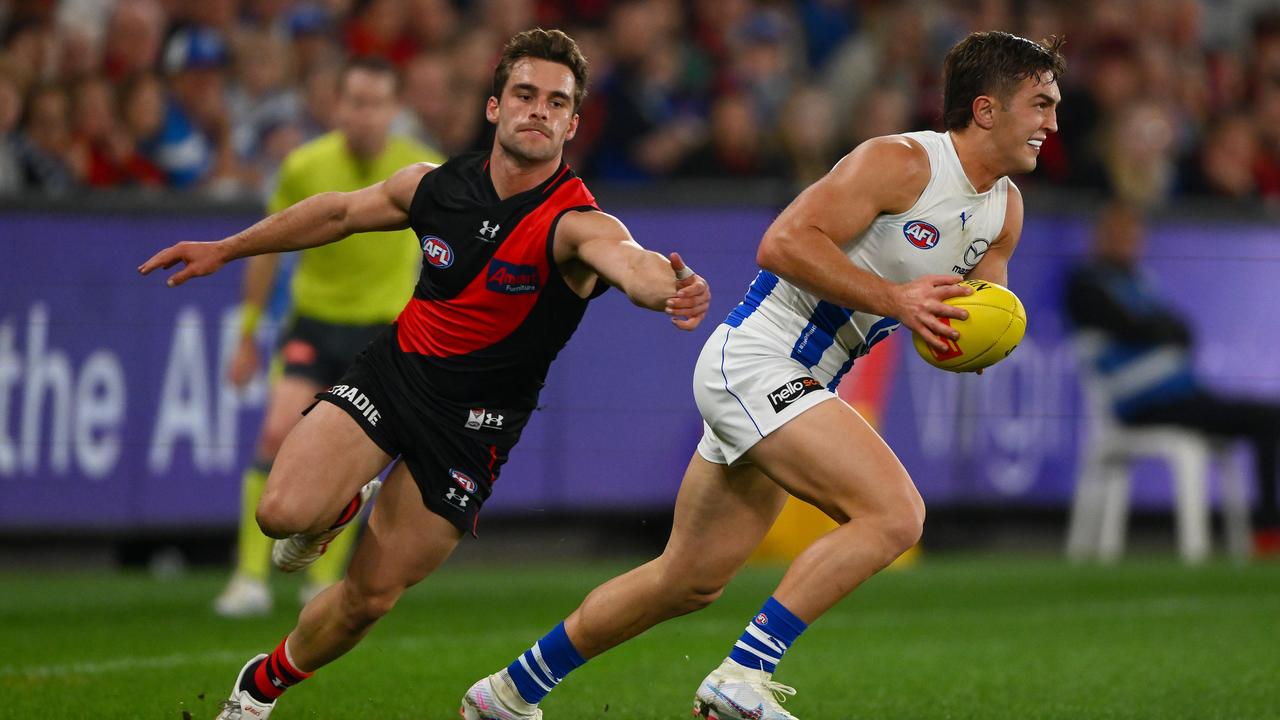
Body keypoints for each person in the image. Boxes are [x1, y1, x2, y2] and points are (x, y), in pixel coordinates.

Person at [460, 30, 1064, 720]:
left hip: (799, 382)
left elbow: (977, 315)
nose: (1052, 123)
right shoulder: (901, 162)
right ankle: (742, 676)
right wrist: (897, 300)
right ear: (986, 109)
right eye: (1040, 104)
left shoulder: (1004, 211)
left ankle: (506, 694)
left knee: (686, 581)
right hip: (757, 358)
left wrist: (968, 343)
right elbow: (781, 243)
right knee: (895, 514)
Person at [138, 28, 710, 720]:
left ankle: (259, 689)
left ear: (572, 124)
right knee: (279, 514)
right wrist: (226, 248)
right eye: (524, 94)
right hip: (394, 377)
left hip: (472, 432)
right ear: (495, 106)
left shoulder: (576, 222)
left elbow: (632, 262)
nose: (538, 110)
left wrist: (670, 287)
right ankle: (339, 507)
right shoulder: (435, 186)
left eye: (556, 102)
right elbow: (340, 213)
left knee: (366, 601)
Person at [212, 57, 445, 618]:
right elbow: (268, 250)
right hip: (313, 324)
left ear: (395, 109)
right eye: (356, 102)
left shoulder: (423, 171)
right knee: (275, 434)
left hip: (381, 334)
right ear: (338, 106)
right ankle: (249, 577)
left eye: (377, 104)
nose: (366, 115)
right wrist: (247, 333)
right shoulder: (304, 166)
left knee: (354, 462)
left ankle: (320, 579)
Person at [1065, 201, 1280, 554]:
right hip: (1141, 404)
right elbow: (1138, 326)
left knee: (1269, 417)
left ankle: (1268, 532)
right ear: (1099, 237)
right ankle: (1268, 535)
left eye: (1133, 235)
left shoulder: (1141, 282)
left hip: (1185, 397)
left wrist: (1154, 327)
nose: (1127, 242)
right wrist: (1155, 328)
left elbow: (1182, 331)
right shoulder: (1085, 285)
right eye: (1118, 233)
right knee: (1265, 419)